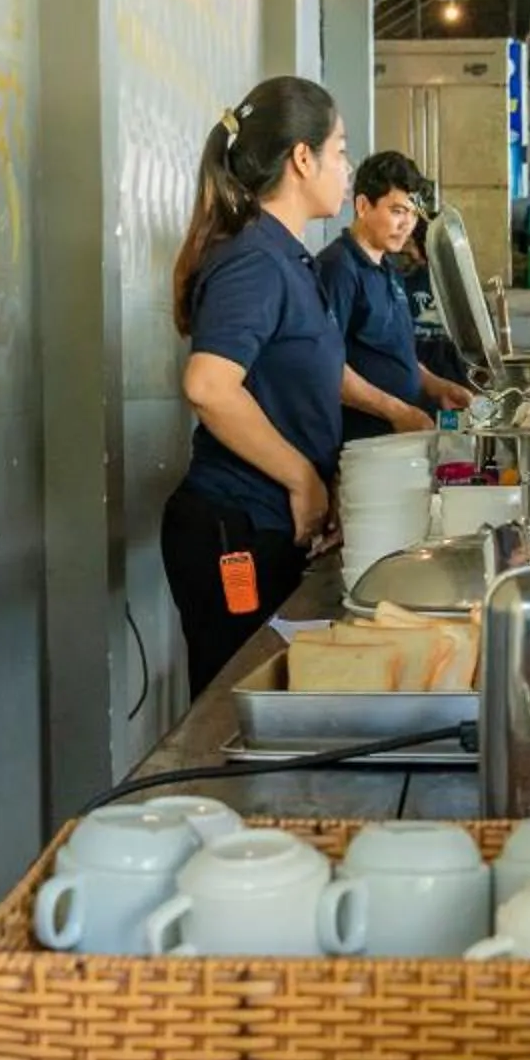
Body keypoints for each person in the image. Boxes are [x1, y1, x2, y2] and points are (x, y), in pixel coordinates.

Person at [161, 76, 351, 695]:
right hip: (233, 532)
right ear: (303, 157)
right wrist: (302, 478)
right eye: (341, 150)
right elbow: (210, 386)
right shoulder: (255, 259)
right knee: (232, 707)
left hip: (272, 525)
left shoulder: (289, 258)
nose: (346, 168)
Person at [316, 149, 476, 440]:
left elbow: (392, 353)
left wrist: (435, 386)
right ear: (363, 206)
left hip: (397, 440)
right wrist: (396, 411)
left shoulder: (388, 268)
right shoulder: (338, 268)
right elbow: (325, 367)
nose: (408, 226)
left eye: (414, 214)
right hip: (360, 444)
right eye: (398, 211)